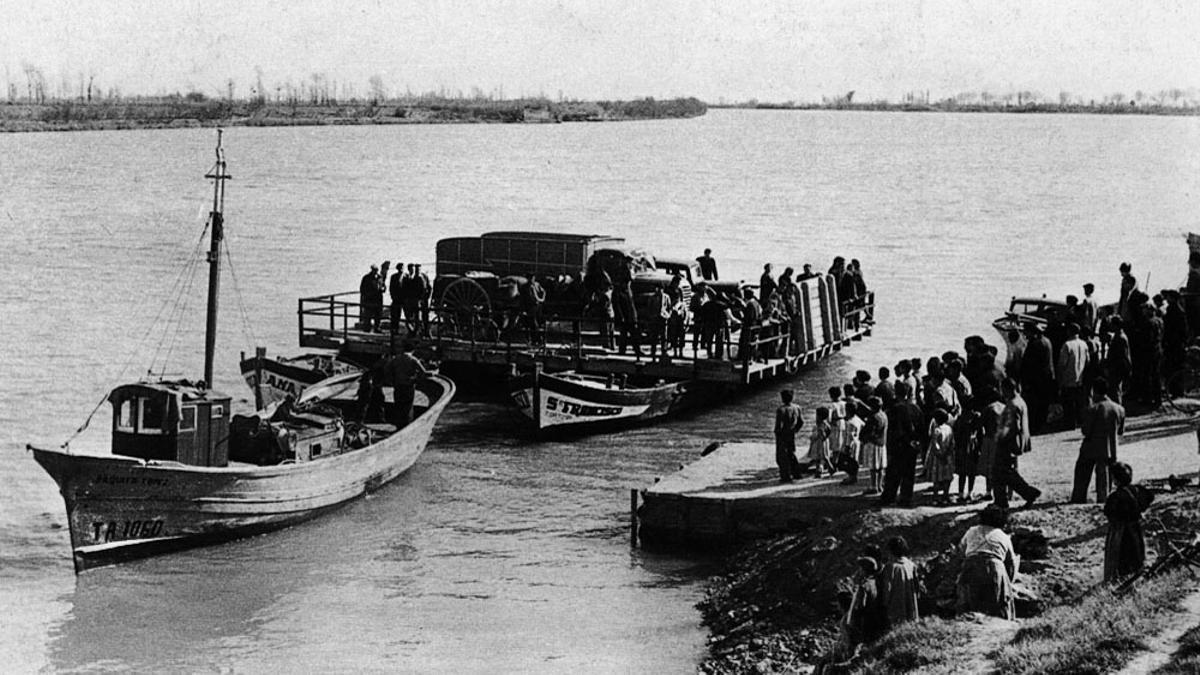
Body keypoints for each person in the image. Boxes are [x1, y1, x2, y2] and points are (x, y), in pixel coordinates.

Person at [956, 504, 1017, 619]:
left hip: (971, 565)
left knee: (969, 604)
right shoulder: (1003, 536)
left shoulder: (972, 531)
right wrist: (1009, 583)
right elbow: (1011, 563)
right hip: (994, 567)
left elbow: (960, 550)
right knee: (998, 604)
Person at [1071, 377, 1125, 504]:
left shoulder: (1093, 409)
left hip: (1091, 447)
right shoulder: (1119, 409)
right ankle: (1103, 498)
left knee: (1082, 472)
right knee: (1104, 476)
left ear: (1094, 392)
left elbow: (1086, 431)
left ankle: (1079, 498)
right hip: (1111, 448)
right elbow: (1121, 431)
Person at [994, 378, 1043, 509]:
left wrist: (999, 438)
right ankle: (1023, 494)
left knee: (1001, 473)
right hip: (1015, 442)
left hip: (1008, 444)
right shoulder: (1020, 401)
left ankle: (1022, 495)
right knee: (1007, 473)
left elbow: (1011, 426)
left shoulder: (1012, 405)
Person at [1104, 462, 1154, 583]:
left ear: (1115, 480)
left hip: (1121, 531)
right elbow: (1150, 497)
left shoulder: (1115, 497)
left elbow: (1108, 512)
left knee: (1121, 556)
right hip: (1136, 527)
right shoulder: (1138, 490)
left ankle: (1119, 579)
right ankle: (1137, 574)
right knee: (1137, 552)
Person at [879, 382, 924, 507]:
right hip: (912, 444)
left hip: (898, 445)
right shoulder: (915, 408)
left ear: (895, 392)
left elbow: (894, 430)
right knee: (909, 473)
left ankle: (889, 497)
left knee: (893, 473)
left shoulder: (894, 409)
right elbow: (921, 427)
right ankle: (906, 498)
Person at [1019, 323, 1055, 433]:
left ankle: (1035, 426)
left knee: (1034, 403)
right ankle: (1040, 425)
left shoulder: (1035, 344)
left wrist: (1024, 379)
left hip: (1036, 379)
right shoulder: (1047, 341)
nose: (1025, 335)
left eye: (1026, 332)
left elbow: (1029, 364)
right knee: (1042, 403)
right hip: (1046, 377)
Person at [385, 340, 431, 428]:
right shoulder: (413, 360)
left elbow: (387, 369)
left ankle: (398, 425)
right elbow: (423, 373)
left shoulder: (396, 359)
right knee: (408, 407)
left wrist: (391, 380)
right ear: (413, 350)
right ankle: (407, 426)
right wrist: (416, 379)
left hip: (398, 385)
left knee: (398, 405)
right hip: (408, 386)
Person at [879, 536, 919, 627]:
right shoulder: (911, 565)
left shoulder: (890, 567)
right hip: (911, 608)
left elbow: (887, 589)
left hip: (896, 608)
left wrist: (884, 605)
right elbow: (917, 588)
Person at [1057, 323, 1090, 428]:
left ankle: (1070, 423)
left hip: (1069, 377)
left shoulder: (1067, 345)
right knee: (1079, 401)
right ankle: (1080, 420)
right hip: (1080, 377)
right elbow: (1088, 360)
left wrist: (1059, 377)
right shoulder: (1084, 344)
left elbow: (1062, 363)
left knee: (1068, 403)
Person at [926, 408, 956, 506]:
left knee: (937, 478)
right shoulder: (949, 429)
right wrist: (947, 453)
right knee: (947, 477)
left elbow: (935, 444)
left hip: (938, 458)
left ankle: (935, 497)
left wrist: (939, 454)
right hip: (948, 456)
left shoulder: (937, 430)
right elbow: (952, 443)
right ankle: (945, 496)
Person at [859, 396, 888, 495]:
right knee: (880, 467)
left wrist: (863, 438)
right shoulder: (884, 415)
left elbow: (870, 431)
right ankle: (879, 485)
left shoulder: (873, 417)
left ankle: (873, 486)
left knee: (873, 467)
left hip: (873, 443)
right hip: (882, 443)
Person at [774, 389, 804, 482]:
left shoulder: (781, 410)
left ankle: (785, 476)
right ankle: (796, 473)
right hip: (791, 433)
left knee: (781, 456)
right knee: (791, 453)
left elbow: (778, 425)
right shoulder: (797, 408)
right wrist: (795, 430)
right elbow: (801, 421)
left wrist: (777, 433)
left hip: (783, 434)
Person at [1106, 316, 1133, 404]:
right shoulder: (1118, 336)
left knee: (1116, 390)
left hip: (1117, 367)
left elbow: (1124, 355)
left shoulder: (1121, 338)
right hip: (1115, 366)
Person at [645, 283, 672, 360]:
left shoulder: (666, 297)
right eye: (657, 288)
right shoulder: (652, 297)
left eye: (660, 289)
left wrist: (668, 315)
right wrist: (651, 316)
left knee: (664, 336)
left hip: (663, 318)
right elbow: (649, 308)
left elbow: (669, 308)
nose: (659, 290)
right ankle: (653, 351)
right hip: (655, 318)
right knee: (654, 336)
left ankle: (664, 351)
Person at [806, 406, 835, 477]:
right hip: (822, 442)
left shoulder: (821, 425)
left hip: (820, 443)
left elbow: (821, 434)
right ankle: (819, 470)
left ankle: (830, 468)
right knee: (821, 458)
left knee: (822, 457)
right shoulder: (825, 424)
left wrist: (819, 436)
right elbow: (829, 431)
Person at [521, 272, 547, 345]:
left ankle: (537, 340)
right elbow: (524, 298)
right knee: (533, 324)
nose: (532, 279)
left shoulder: (536, 285)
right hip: (530, 307)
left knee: (539, 323)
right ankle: (536, 340)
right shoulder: (525, 287)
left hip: (537, 307)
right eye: (530, 278)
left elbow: (543, 291)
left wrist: (542, 298)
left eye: (533, 278)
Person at [738, 288, 762, 362]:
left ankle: (744, 358)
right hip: (755, 326)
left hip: (749, 327)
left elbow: (749, 317)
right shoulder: (756, 303)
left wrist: (742, 316)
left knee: (745, 342)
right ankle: (751, 357)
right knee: (752, 344)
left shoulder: (750, 305)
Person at [359, 264, 384, 331]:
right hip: (369, 300)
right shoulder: (366, 278)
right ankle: (367, 328)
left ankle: (377, 328)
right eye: (374, 270)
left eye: (377, 270)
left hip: (378, 300)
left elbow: (383, 286)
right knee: (368, 315)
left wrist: (383, 288)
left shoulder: (380, 277)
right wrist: (367, 295)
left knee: (378, 315)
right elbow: (362, 289)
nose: (376, 271)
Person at [388, 262, 405, 334]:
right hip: (396, 299)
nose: (401, 269)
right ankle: (394, 329)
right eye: (400, 268)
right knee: (395, 315)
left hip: (404, 299)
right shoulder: (393, 277)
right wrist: (393, 296)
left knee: (407, 315)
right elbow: (391, 288)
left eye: (402, 268)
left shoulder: (406, 277)